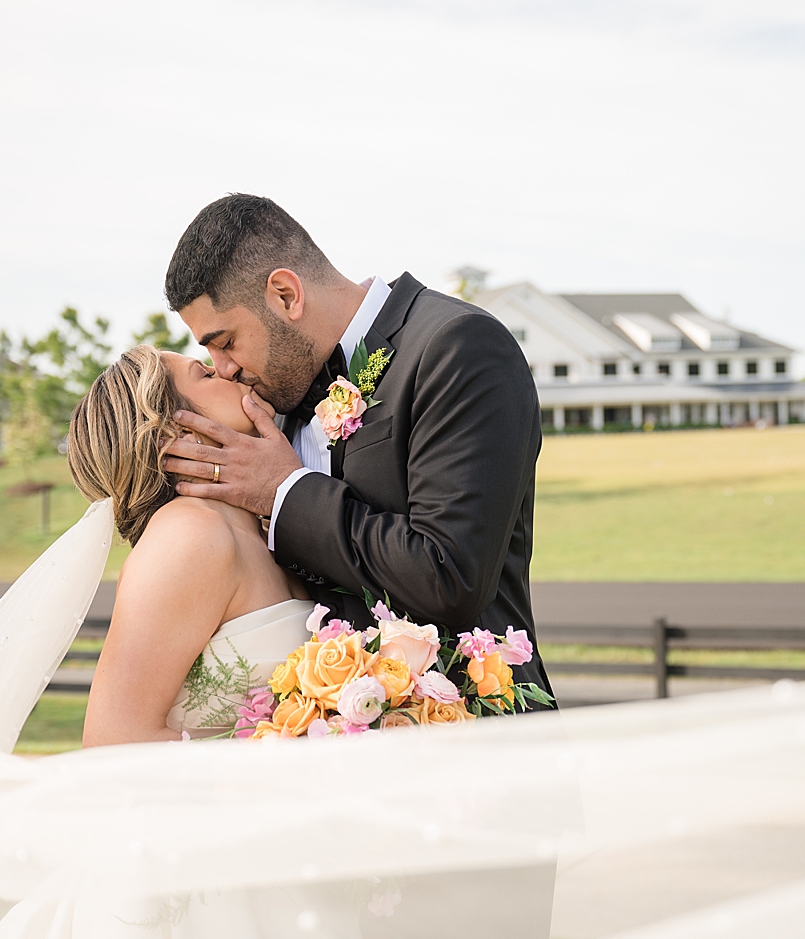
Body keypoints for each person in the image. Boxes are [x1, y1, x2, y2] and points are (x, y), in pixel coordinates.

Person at [158, 194, 555, 706]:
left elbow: (450, 575)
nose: (224, 368)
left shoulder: (457, 348)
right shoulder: (271, 404)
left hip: (477, 744)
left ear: (284, 295)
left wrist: (286, 493)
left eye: (226, 341)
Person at [65, 343, 314, 745]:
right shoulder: (188, 536)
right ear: (176, 433)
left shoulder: (263, 525)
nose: (227, 370)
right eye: (205, 373)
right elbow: (113, 740)